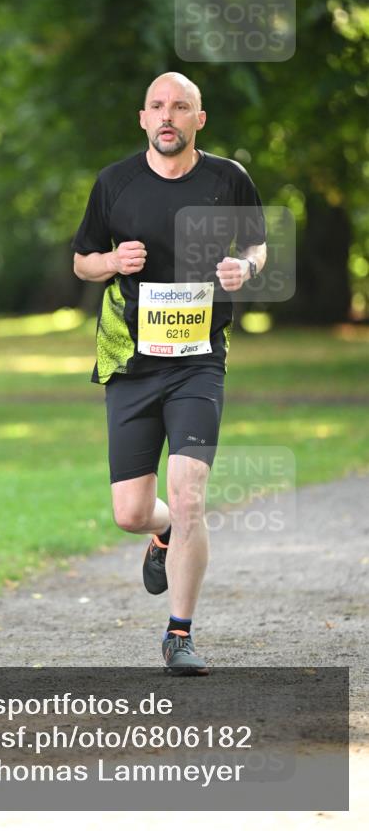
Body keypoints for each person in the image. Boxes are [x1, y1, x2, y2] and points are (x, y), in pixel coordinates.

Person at [71, 72, 267, 674]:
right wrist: (111, 261)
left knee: (188, 497)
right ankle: (159, 537)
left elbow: (259, 246)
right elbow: (81, 261)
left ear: (198, 120)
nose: (168, 116)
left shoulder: (227, 178)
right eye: (158, 106)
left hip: (199, 361)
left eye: (180, 107)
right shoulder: (115, 183)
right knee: (133, 512)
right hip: (131, 363)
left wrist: (244, 268)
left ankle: (178, 635)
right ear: (143, 118)